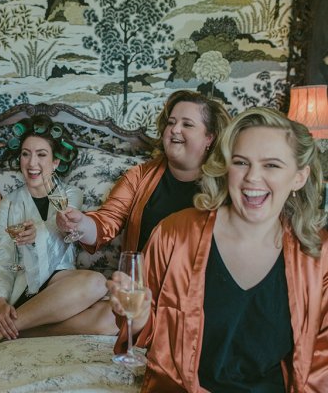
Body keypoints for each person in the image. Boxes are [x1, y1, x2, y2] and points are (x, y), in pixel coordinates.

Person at [108, 107, 328, 391]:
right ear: (226, 168)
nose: (252, 178)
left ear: (299, 176)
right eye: (241, 162)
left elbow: (320, 366)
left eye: (271, 165)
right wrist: (137, 320)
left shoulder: (318, 257)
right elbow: (150, 337)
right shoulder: (174, 234)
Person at [0, 115, 116, 361]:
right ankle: (3, 324)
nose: (32, 162)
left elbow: (62, 222)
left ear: (55, 162)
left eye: (42, 155)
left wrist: (42, 231)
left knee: (114, 319)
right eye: (25, 154)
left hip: (61, 290)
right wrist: (0, 302)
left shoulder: (69, 194)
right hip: (25, 288)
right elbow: (2, 257)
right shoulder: (9, 205)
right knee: (96, 282)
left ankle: (5, 333)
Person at [56, 90, 230, 254]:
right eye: (171, 122)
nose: (175, 129)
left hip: (198, 283)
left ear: (209, 137)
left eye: (187, 124)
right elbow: (106, 223)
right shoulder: (139, 176)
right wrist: (80, 223)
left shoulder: (226, 183)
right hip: (141, 282)